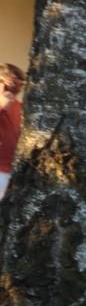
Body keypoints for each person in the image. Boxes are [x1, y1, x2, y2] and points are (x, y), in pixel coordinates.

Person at [0, 63, 23, 203]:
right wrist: (5, 101)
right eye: (11, 83)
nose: (15, 88)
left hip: (13, 171)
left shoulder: (20, 107)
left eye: (19, 84)